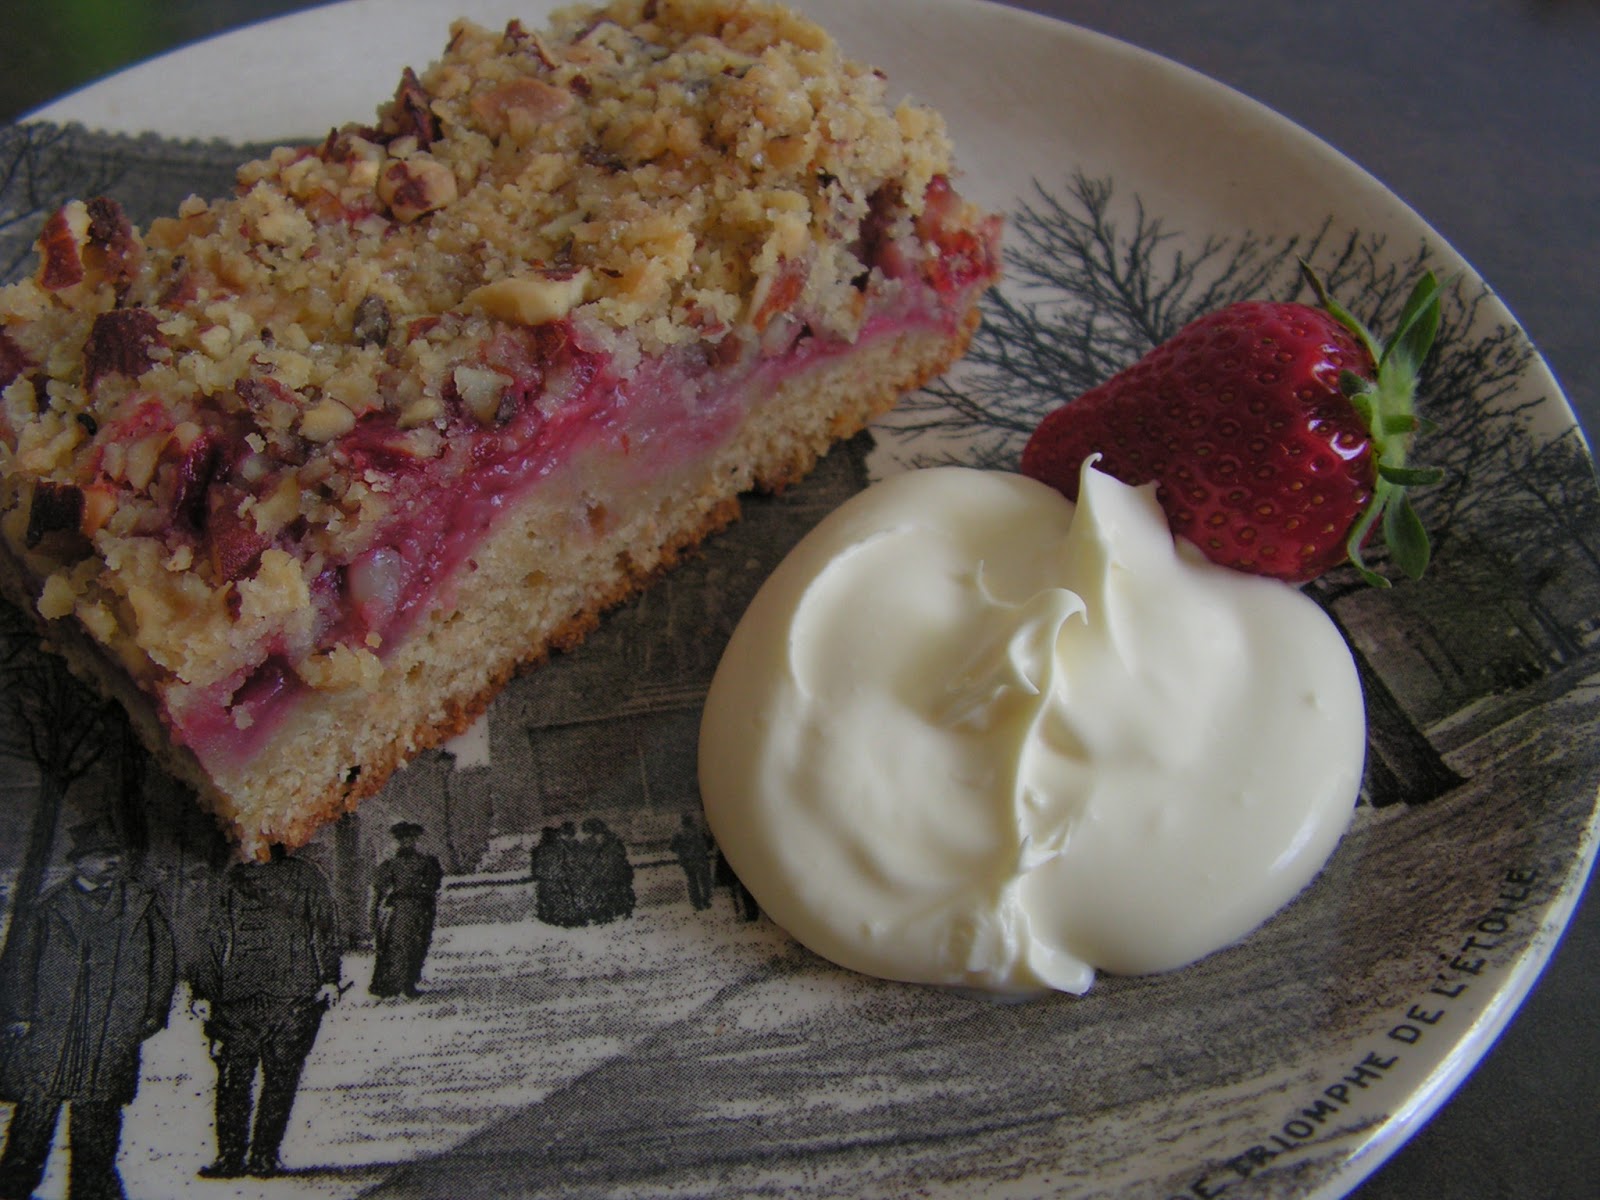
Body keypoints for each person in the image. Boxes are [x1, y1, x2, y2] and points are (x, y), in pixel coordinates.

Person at [0, 821, 175, 1200]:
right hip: (52, 1031)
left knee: (98, 1121)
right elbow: (21, 965)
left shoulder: (141, 906)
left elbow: (163, 962)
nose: (113, 861)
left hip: (110, 1029)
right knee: (34, 1118)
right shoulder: (48, 908)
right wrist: (19, 1015)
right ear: (79, 863)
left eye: (116, 854)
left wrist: (149, 1013)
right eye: (101, 855)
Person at [189, 845, 343, 1180]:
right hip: (238, 995)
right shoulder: (234, 877)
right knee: (233, 1077)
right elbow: (212, 937)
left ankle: (264, 1156)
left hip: (293, 995)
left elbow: (327, 928)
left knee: (281, 1077)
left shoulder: (307, 875)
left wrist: (330, 977)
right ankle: (229, 1156)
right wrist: (202, 989)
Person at [368, 822, 443, 999]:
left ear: (415, 840)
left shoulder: (425, 862)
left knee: (418, 945)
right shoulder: (391, 864)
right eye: (403, 840)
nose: (407, 843)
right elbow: (379, 888)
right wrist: (375, 912)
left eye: (411, 839)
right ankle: (392, 984)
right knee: (397, 946)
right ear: (398, 841)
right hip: (399, 910)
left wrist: (426, 894)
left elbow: (434, 884)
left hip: (420, 909)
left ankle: (410, 983)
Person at [670, 812, 714, 910]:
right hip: (701, 858)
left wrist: (681, 851)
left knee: (692, 881)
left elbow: (672, 847)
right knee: (705, 880)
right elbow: (709, 840)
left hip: (687, 860)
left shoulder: (678, 832)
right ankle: (706, 900)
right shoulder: (699, 829)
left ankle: (696, 903)